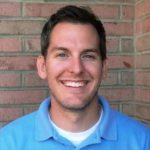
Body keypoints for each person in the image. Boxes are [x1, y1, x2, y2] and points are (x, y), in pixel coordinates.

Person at [0, 5, 150, 150]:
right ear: (42, 66)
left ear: (104, 68)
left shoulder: (143, 141)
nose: (76, 69)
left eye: (88, 56)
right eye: (62, 55)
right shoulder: (7, 142)